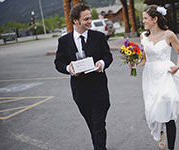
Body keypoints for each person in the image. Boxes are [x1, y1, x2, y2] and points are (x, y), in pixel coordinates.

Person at [54, 3, 113, 150]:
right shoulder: (64, 41)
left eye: (90, 18)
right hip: (80, 92)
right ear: (76, 21)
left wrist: (102, 63)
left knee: (99, 124)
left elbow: (108, 56)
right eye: (86, 19)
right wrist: (69, 68)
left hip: (99, 90)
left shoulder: (99, 37)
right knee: (92, 124)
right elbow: (59, 63)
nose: (89, 21)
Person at [136, 5, 179, 150]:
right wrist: (133, 64)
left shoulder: (169, 35)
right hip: (150, 76)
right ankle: (160, 131)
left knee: (167, 106)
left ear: (155, 19)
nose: (143, 21)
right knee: (153, 110)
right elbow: (144, 59)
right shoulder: (143, 37)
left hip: (166, 74)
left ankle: (171, 148)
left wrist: (178, 66)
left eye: (145, 18)